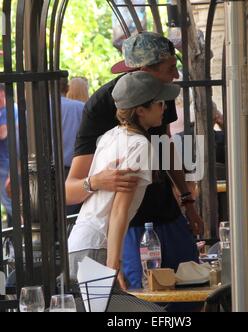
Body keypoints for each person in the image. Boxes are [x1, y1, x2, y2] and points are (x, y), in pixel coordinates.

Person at [66, 32, 202, 291]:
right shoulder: (103, 111)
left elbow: (165, 145)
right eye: (170, 68)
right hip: (115, 236)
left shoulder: (126, 127)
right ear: (143, 71)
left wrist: (187, 200)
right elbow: (76, 192)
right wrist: (96, 181)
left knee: (189, 288)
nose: (175, 75)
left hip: (140, 223)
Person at [68, 71, 181, 290]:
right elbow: (119, 210)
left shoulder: (111, 136)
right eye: (159, 103)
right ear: (140, 110)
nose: (165, 107)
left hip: (81, 243)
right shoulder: (139, 144)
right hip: (98, 247)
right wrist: (113, 265)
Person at [60, 78, 85, 215]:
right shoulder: (79, 108)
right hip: (76, 172)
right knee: (73, 221)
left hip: (41, 176)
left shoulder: (33, 111)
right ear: (67, 87)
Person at [0, 84, 18, 228]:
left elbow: (3, 133)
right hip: (6, 162)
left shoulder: (9, 110)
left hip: (7, 164)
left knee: (10, 203)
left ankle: (27, 233)